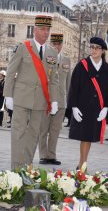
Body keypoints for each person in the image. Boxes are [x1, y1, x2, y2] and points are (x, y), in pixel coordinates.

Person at [4, 15, 59, 169]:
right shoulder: (23, 47)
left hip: (41, 100)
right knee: (18, 132)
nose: (45, 32)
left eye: (48, 29)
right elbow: (11, 71)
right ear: (35, 30)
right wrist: (8, 95)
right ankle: (16, 167)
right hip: (21, 97)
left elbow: (53, 79)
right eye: (42, 29)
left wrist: (54, 100)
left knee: (34, 134)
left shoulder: (52, 52)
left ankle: (27, 166)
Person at [68, 37, 108, 169]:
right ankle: (82, 165)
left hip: (97, 108)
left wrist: (106, 107)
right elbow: (74, 87)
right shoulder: (82, 65)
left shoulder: (107, 68)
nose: (93, 50)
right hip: (83, 107)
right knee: (85, 136)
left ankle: (82, 164)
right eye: (92, 47)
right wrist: (74, 107)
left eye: (97, 48)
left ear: (103, 51)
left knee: (88, 136)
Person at [39, 33, 71, 165]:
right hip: (46, 99)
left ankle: (51, 155)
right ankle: (43, 155)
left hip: (61, 101)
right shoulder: (44, 58)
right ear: (50, 44)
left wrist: (68, 99)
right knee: (43, 129)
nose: (57, 46)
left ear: (62, 45)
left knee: (55, 130)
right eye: (54, 44)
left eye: (59, 44)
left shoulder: (67, 60)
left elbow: (68, 82)